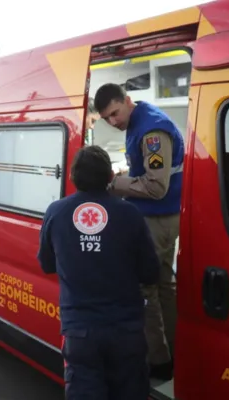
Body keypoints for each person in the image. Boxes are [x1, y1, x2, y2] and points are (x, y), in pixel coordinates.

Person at [38, 145, 160, 399]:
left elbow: (46, 264)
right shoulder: (130, 213)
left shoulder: (56, 212)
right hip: (126, 331)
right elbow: (150, 272)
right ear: (109, 178)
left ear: (72, 177)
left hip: (80, 332)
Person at [93, 83, 185, 380]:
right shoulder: (140, 119)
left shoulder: (151, 131)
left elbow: (156, 187)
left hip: (157, 219)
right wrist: (126, 175)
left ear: (127, 101)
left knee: (145, 289)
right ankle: (174, 350)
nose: (113, 122)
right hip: (164, 218)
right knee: (163, 284)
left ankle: (159, 362)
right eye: (106, 118)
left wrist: (113, 184)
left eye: (115, 113)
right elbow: (146, 171)